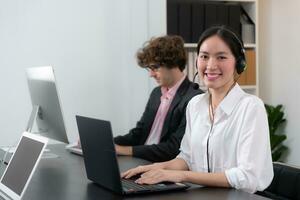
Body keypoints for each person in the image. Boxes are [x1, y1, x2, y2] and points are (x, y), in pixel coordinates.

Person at [121, 26, 274, 193]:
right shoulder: (195, 105)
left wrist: (183, 176)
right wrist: (156, 168)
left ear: (239, 63)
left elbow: (247, 177)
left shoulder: (251, 107)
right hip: (203, 194)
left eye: (221, 57)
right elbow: (187, 158)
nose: (211, 65)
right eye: (204, 56)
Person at [114, 35, 202, 162]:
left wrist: (125, 151)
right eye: (149, 69)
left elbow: (174, 149)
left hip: (162, 166)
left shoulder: (194, 98)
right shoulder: (156, 93)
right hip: (141, 160)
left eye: (155, 67)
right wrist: (106, 143)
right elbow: (139, 133)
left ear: (173, 63)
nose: (151, 74)